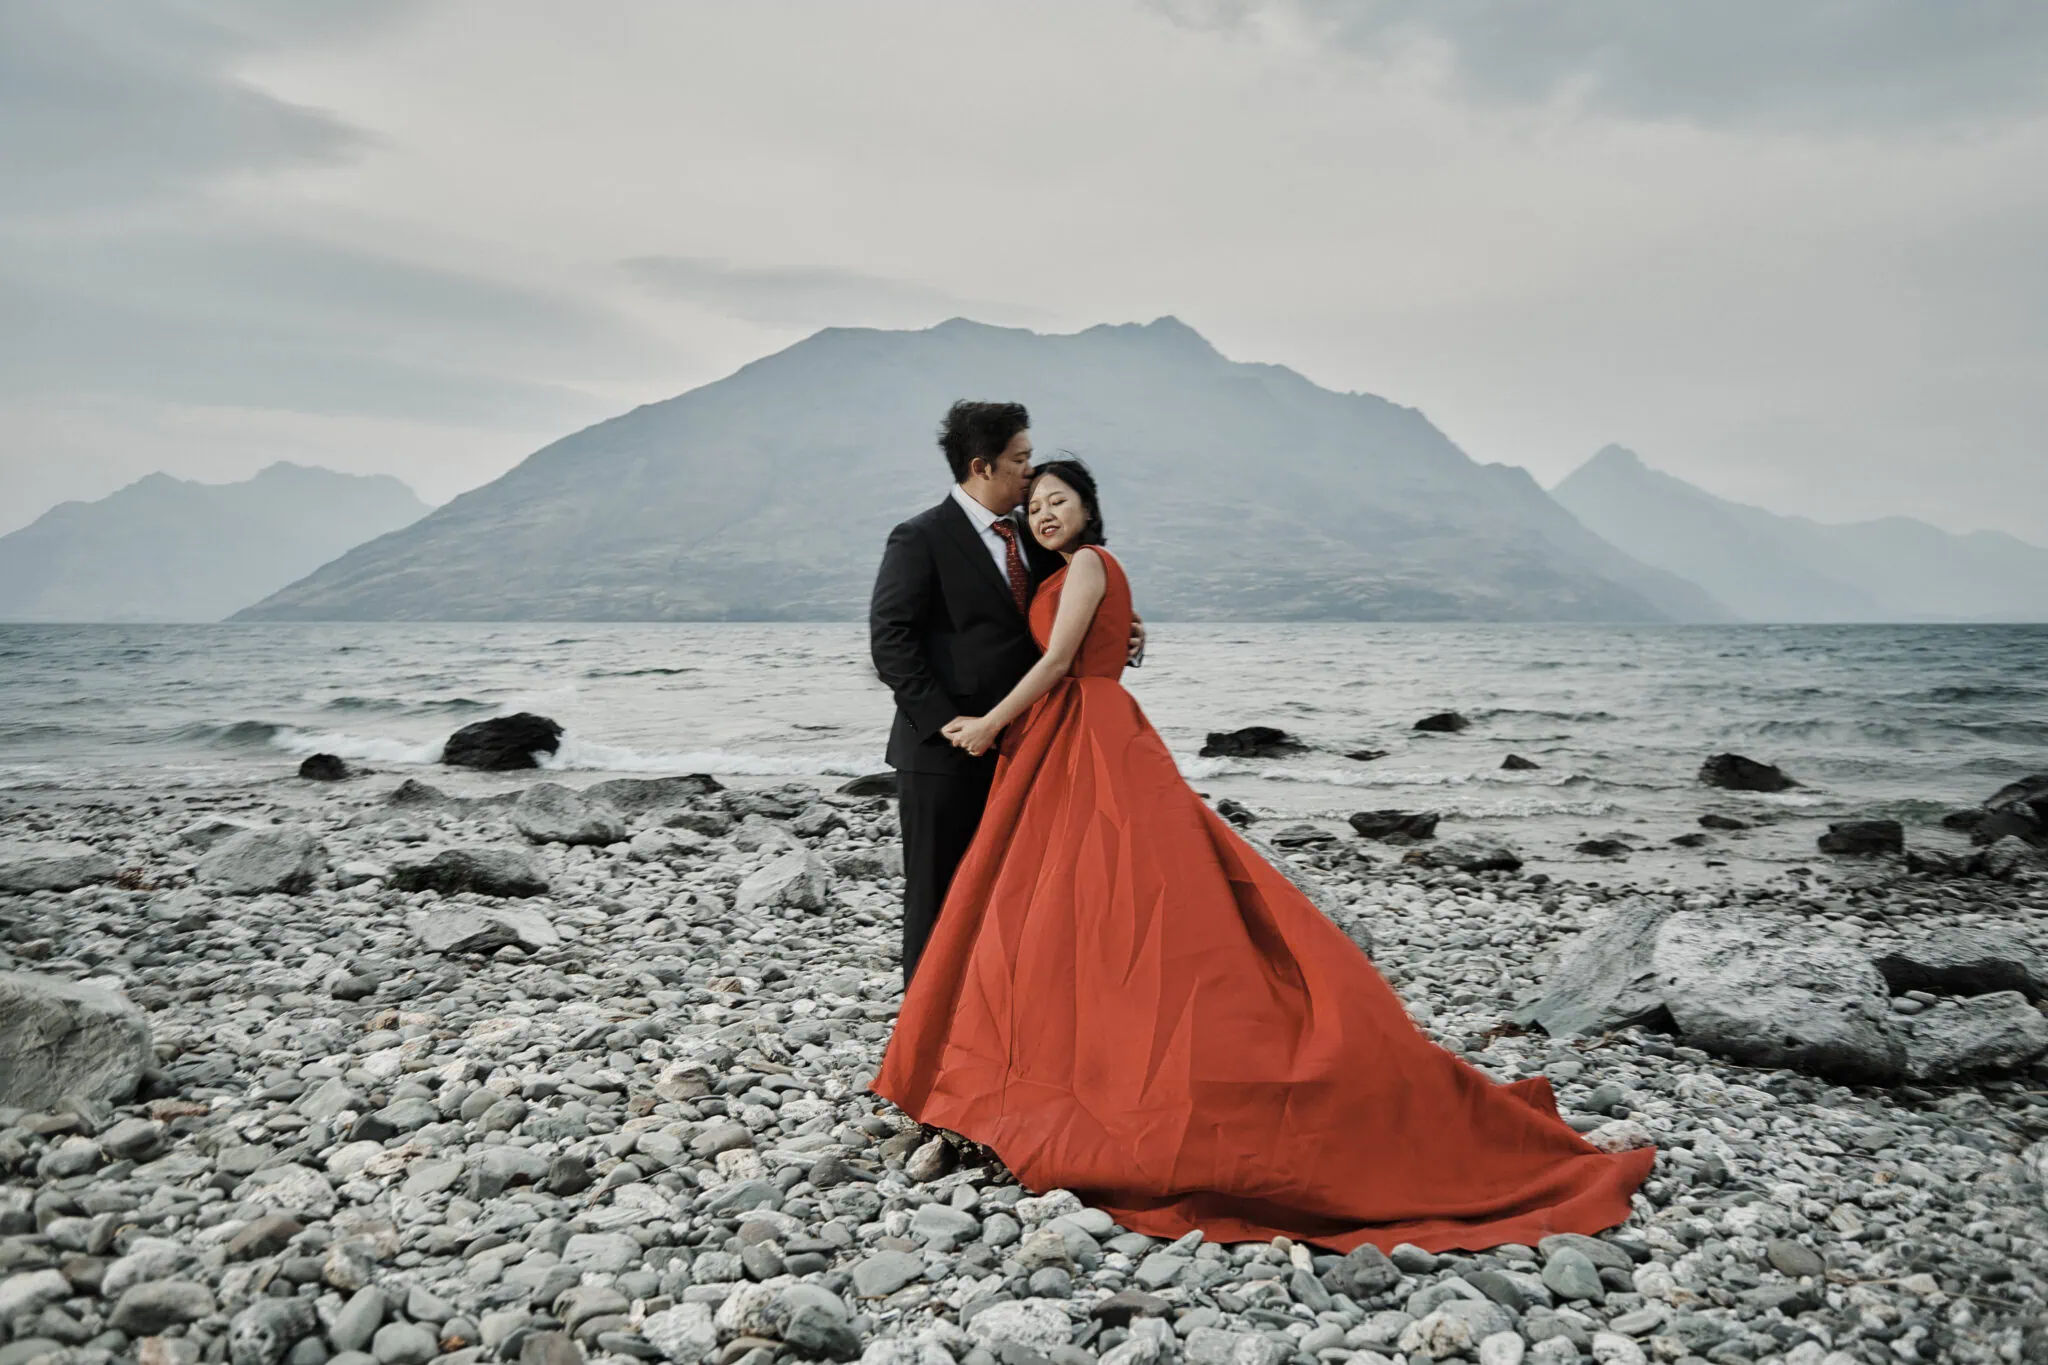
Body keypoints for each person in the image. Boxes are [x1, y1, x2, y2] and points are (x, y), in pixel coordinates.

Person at [870, 459, 1654, 1253]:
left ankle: (1114, 1071)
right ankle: (1045, 1063)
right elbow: (1070, 643)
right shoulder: (1064, 570)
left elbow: (1056, 665)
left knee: (1126, 892)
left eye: (1058, 500)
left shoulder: (1090, 563)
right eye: (1035, 503)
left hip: (1089, 738)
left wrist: (986, 724)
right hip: (1068, 740)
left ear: (1088, 507)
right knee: (1070, 902)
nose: (1043, 513)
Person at [868, 402, 1143, 986]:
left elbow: (1068, 606)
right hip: (943, 753)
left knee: (1006, 893)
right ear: (981, 466)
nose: (1030, 472)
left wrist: (1124, 624)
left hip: (1026, 747)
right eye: (1019, 460)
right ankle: (922, 1038)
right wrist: (952, 724)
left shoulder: (1033, 536)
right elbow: (891, 643)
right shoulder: (921, 537)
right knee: (937, 898)